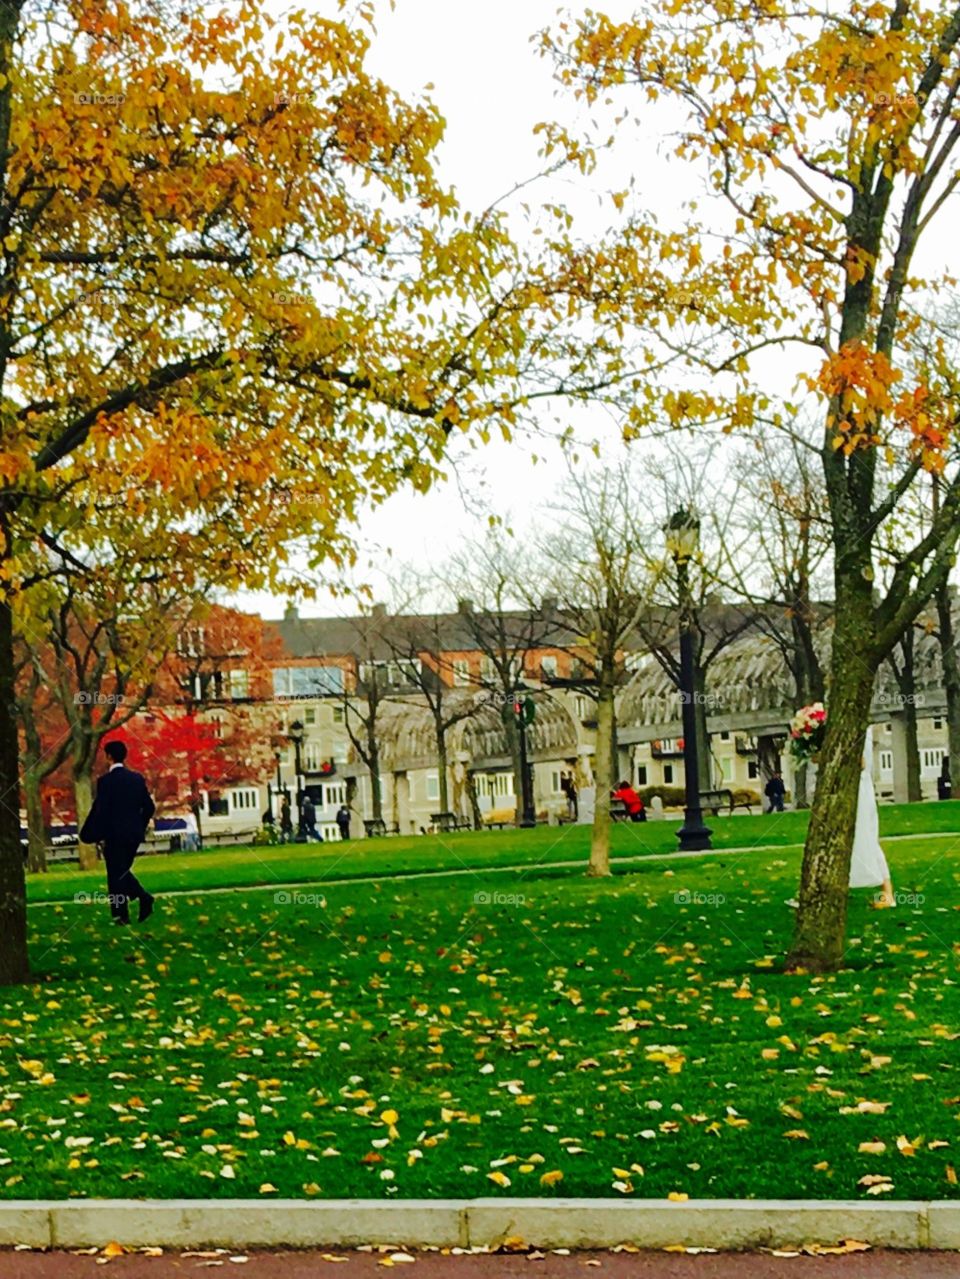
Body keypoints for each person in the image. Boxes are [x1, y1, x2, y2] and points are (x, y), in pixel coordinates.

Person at [79, 739, 156, 925]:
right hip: (133, 835)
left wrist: (91, 832)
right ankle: (129, 909)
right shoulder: (136, 779)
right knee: (120, 871)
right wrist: (140, 824)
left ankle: (128, 909)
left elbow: (101, 810)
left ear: (108, 757)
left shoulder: (105, 782)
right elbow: (149, 807)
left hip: (114, 835)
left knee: (116, 873)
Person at [850, 730, 895, 908]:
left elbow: (860, 763)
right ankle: (887, 891)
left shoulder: (860, 732)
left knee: (867, 837)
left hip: (860, 789)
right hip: (862, 787)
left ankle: (888, 892)